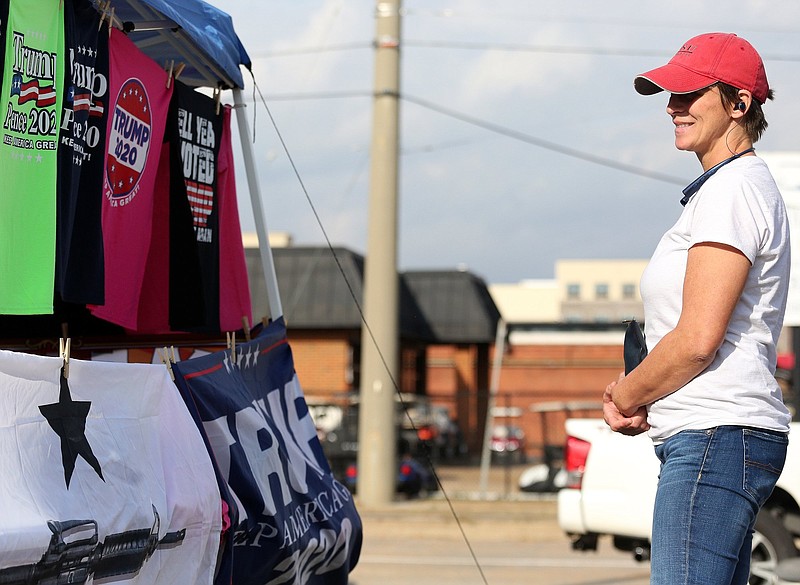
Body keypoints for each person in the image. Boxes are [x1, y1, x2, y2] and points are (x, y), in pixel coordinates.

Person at [603, 32, 792, 585]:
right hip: (718, 435)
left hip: (716, 435)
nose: (672, 107)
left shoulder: (733, 190)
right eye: (669, 95)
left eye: (689, 94)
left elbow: (698, 337)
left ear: (740, 103)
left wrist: (627, 395)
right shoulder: (728, 188)